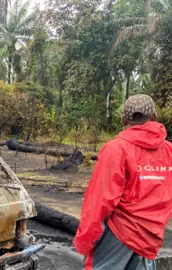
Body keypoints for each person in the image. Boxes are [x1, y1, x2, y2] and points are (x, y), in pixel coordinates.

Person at [73, 94, 172, 270]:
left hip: (117, 235)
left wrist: (84, 241)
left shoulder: (116, 149)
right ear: (155, 117)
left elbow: (99, 202)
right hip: (151, 237)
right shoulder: (169, 152)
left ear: (123, 120)